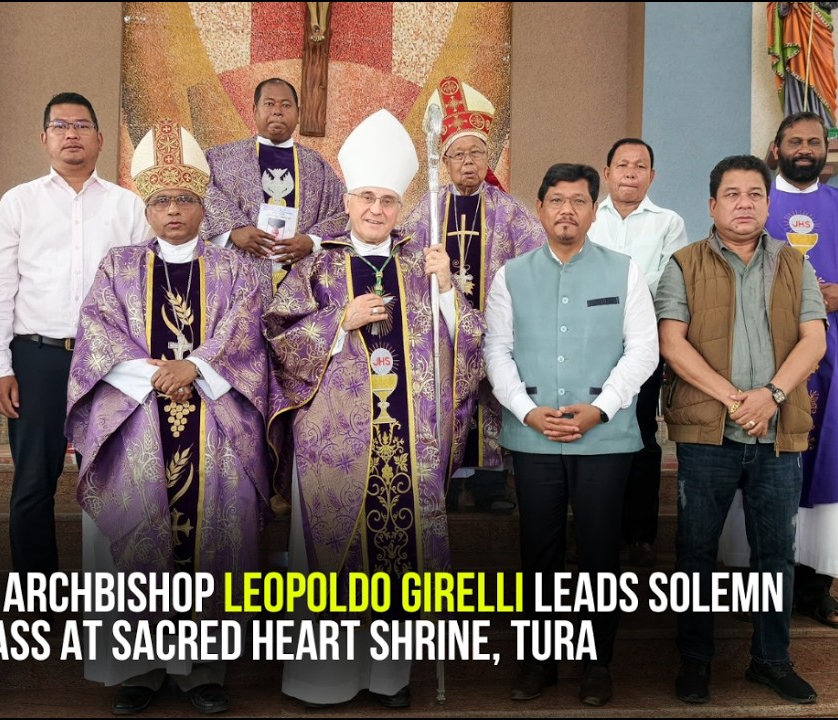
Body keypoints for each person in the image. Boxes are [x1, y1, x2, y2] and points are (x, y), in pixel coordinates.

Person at [265, 109, 484, 709]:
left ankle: (390, 678)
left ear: (400, 204)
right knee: (332, 556)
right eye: (366, 197)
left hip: (409, 434)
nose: (376, 210)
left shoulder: (423, 262)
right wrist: (340, 320)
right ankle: (325, 678)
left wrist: (447, 289)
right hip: (333, 438)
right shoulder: (316, 260)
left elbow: (468, 348)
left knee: (400, 558)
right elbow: (279, 336)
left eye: (387, 199)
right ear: (348, 197)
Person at [65, 118, 270, 716]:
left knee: (213, 536)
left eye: (183, 199)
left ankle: (206, 670)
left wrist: (197, 369)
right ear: (146, 208)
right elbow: (96, 335)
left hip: (215, 426)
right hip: (135, 425)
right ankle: (138, 665)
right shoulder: (118, 265)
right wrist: (158, 374)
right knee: (138, 529)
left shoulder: (236, 269)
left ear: (201, 204)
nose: (173, 210)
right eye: (160, 201)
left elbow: (248, 334)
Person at [656, 155, 827, 706]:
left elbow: (814, 340)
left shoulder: (794, 266)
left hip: (778, 434)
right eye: (732, 194)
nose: (744, 203)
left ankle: (771, 661)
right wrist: (735, 399)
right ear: (712, 205)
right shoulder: (683, 263)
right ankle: (697, 662)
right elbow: (672, 343)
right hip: (709, 435)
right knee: (695, 550)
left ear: (768, 204)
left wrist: (770, 395)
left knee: (775, 551)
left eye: (755, 193)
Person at [486, 163, 658, 706]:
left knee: (600, 555)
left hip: (605, 440)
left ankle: (597, 665)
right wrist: (527, 410)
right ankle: (539, 663)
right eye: (556, 200)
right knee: (537, 553)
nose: (567, 210)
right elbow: (496, 350)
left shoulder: (623, 271)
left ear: (592, 208)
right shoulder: (510, 274)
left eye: (578, 201)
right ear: (539, 209)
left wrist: (601, 409)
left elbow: (643, 351)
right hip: (533, 438)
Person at [0, 92, 153, 577]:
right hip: (38, 357)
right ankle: (40, 605)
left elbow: (143, 290)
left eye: (81, 125)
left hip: (111, 362)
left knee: (112, 475)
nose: (71, 134)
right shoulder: (18, 203)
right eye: (60, 126)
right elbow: (1, 289)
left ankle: (110, 597)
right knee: (34, 482)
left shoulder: (129, 206)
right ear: (44, 139)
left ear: (100, 139)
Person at [718, 112, 838, 630]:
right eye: (795, 141)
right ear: (775, 148)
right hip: (763, 357)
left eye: (814, 141)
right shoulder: (757, 200)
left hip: (835, 360)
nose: (806, 149)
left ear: (827, 149)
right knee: (756, 461)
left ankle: (816, 588)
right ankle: (750, 583)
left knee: (828, 463)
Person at [402, 75, 546, 514]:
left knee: (490, 395)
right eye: (458, 154)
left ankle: (490, 481)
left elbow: (537, 269)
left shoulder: (511, 211)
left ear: (489, 157)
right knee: (441, 395)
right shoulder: (426, 209)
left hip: (495, 329)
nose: (468, 162)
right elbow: (404, 262)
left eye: (477, 152)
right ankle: (441, 479)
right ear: (443, 161)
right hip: (441, 330)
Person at [587, 138, 688, 568]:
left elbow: (667, 282)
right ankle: (590, 534)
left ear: (652, 175)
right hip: (589, 345)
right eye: (622, 165)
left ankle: (641, 535)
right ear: (607, 173)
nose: (630, 172)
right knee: (591, 437)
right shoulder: (589, 217)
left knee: (641, 437)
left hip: (643, 345)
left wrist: (617, 297)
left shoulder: (668, 222)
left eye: (640, 165)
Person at [202, 78, 348, 291]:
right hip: (238, 279)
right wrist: (232, 232)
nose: (278, 111)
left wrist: (311, 241)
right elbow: (199, 192)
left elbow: (343, 209)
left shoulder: (316, 164)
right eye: (269, 103)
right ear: (254, 110)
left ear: (298, 114)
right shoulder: (220, 158)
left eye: (286, 105)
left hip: (299, 284)